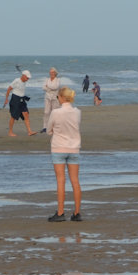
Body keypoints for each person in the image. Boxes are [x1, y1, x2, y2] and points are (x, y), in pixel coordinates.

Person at [46, 87, 83, 222]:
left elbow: (49, 129)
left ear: (61, 97)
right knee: (75, 181)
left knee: (61, 181)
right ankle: (77, 212)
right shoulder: (77, 112)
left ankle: (61, 213)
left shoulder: (56, 112)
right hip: (74, 148)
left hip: (59, 148)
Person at [3, 70, 35, 136]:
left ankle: (29, 131)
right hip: (15, 100)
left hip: (22, 99)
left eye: (28, 78)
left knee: (26, 114)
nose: (28, 79)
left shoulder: (24, 81)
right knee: (13, 116)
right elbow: (9, 89)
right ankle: (10, 132)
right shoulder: (16, 81)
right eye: (27, 78)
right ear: (23, 76)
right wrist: (6, 99)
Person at [40, 67, 62, 134]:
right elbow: (43, 87)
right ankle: (45, 127)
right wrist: (48, 88)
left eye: (52, 72)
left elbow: (56, 87)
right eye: (50, 72)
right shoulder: (47, 79)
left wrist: (48, 87)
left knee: (54, 112)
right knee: (46, 112)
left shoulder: (58, 80)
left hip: (55, 98)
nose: (51, 73)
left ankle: (55, 127)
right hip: (47, 97)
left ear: (55, 73)